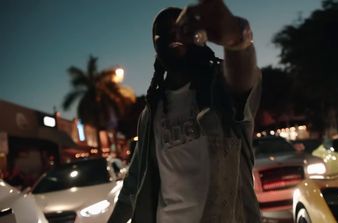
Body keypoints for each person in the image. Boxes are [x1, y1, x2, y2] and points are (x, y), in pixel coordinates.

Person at [108, 0, 262, 222]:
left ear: (197, 36)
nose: (172, 35)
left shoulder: (220, 88)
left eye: (181, 29)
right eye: (161, 33)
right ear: (154, 47)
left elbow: (243, 78)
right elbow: (133, 183)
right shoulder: (151, 112)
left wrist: (236, 39)